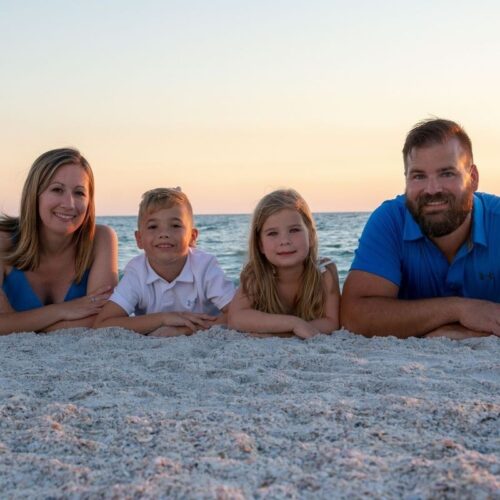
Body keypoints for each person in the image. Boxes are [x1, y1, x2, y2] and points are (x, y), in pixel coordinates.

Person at [342, 118, 500, 339]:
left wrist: (460, 333)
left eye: (447, 173)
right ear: (406, 179)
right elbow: (355, 316)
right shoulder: (390, 220)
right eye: (419, 176)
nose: (432, 189)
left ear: (472, 178)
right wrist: (459, 309)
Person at [0, 148, 118, 335]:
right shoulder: (3, 241)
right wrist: (62, 311)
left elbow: (102, 318)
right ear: (35, 194)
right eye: (57, 189)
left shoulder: (101, 239)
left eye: (79, 193)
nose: (69, 204)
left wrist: (18, 323)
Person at [94, 187, 235, 336]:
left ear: (192, 237)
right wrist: (163, 319)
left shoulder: (205, 267)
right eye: (153, 227)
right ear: (139, 239)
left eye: (175, 225)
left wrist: (183, 330)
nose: (164, 234)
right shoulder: (136, 272)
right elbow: (103, 323)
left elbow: (236, 314)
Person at [228, 189, 340, 339]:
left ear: (311, 236)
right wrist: (293, 324)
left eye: (294, 230)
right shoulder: (256, 275)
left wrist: (283, 333)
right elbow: (235, 318)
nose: (285, 241)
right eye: (272, 233)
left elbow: (332, 322)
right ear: (260, 244)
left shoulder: (324, 272)